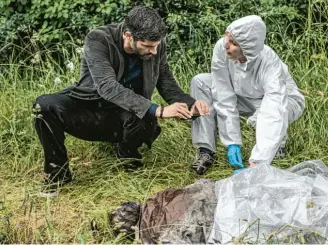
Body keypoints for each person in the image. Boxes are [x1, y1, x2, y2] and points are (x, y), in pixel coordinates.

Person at [33, 6, 209, 197]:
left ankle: (128, 159)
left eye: (156, 45)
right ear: (128, 36)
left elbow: (166, 83)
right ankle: (58, 174)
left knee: (144, 114)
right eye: (148, 46)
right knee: (43, 106)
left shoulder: (156, 47)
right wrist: (159, 110)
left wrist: (192, 104)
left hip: (125, 116)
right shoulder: (98, 39)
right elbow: (107, 86)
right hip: (89, 110)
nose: (154, 51)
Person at [190, 15, 305, 175]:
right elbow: (223, 94)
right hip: (243, 95)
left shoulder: (269, 63)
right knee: (200, 82)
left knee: (264, 118)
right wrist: (232, 142)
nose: (226, 46)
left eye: (233, 43)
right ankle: (206, 150)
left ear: (247, 47)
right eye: (227, 38)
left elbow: (273, 109)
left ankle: (276, 147)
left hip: (283, 100)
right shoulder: (222, 48)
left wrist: (257, 163)